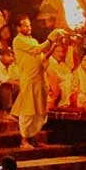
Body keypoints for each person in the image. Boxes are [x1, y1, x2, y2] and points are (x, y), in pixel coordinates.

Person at [11, 15, 61, 148]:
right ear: (18, 28)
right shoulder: (18, 41)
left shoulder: (32, 40)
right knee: (28, 110)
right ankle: (24, 141)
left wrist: (52, 48)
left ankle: (33, 138)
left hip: (39, 78)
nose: (28, 27)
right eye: (25, 25)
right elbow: (37, 50)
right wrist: (50, 38)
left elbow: (41, 58)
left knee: (39, 111)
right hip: (29, 79)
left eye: (29, 25)